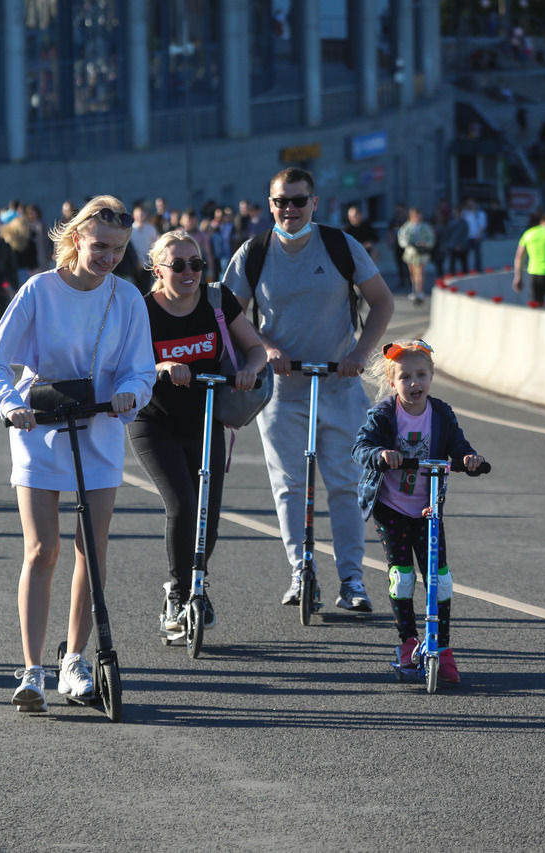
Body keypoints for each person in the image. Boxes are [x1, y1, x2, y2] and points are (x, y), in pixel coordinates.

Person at [0, 195, 155, 713]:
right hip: (40, 427)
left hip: (98, 427)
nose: (109, 258)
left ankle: (73, 661)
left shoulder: (128, 299)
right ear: (76, 239)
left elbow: (142, 368)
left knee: (90, 554)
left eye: (118, 250)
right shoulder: (39, 291)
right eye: (99, 246)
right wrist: (10, 405)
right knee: (41, 549)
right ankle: (32, 671)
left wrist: (131, 393)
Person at [223, 166, 394, 615]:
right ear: (270, 203)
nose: (290, 209)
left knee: (346, 482)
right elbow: (229, 314)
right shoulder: (254, 252)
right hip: (281, 390)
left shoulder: (340, 245)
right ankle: (300, 572)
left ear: (314, 203)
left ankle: (352, 579)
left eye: (299, 201)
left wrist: (360, 353)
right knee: (289, 486)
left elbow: (382, 300)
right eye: (281, 201)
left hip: (339, 384)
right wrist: (265, 346)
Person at [127, 229, 266, 634]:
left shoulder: (216, 302)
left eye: (197, 264)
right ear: (157, 269)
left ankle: (198, 588)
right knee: (184, 504)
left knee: (209, 519)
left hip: (206, 420)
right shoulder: (142, 311)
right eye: (179, 265)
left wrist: (248, 371)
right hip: (153, 421)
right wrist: (161, 368)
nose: (190, 272)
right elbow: (124, 368)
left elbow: (256, 349)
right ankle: (178, 593)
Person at [353, 339, 485, 684]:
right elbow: (361, 447)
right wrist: (381, 454)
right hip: (392, 508)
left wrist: (469, 460)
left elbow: (459, 446)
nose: (414, 383)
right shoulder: (384, 414)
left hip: (428, 510)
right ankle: (408, 642)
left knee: (440, 579)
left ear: (432, 376)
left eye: (421, 375)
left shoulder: (440, 413)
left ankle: (441, 648)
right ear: (393, 381)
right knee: (403, 576)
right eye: (406, 377)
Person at [397, 207, 435, 305]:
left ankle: (420, 291)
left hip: (421, 253)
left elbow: (431, 238)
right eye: (414, 215)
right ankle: (415, 290)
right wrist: (408, 244)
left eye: (418, 215)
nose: (417, 217)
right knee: (413, 273)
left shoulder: (425, 226)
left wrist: (425, 244)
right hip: (411, 253)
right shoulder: (407, 227)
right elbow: (402, 239)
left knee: (420, 272)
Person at [461, 198, 487, 272]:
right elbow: (462, 222)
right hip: (467, 237)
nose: (471, 205)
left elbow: (483, 225)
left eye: (472, 203)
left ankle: (478, 269)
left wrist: (478, 235)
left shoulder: (480, 214)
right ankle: (465, 270)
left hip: (477, 237)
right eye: (469, 204)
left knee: (477, 254)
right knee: (465, 254)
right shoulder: (466, 213)